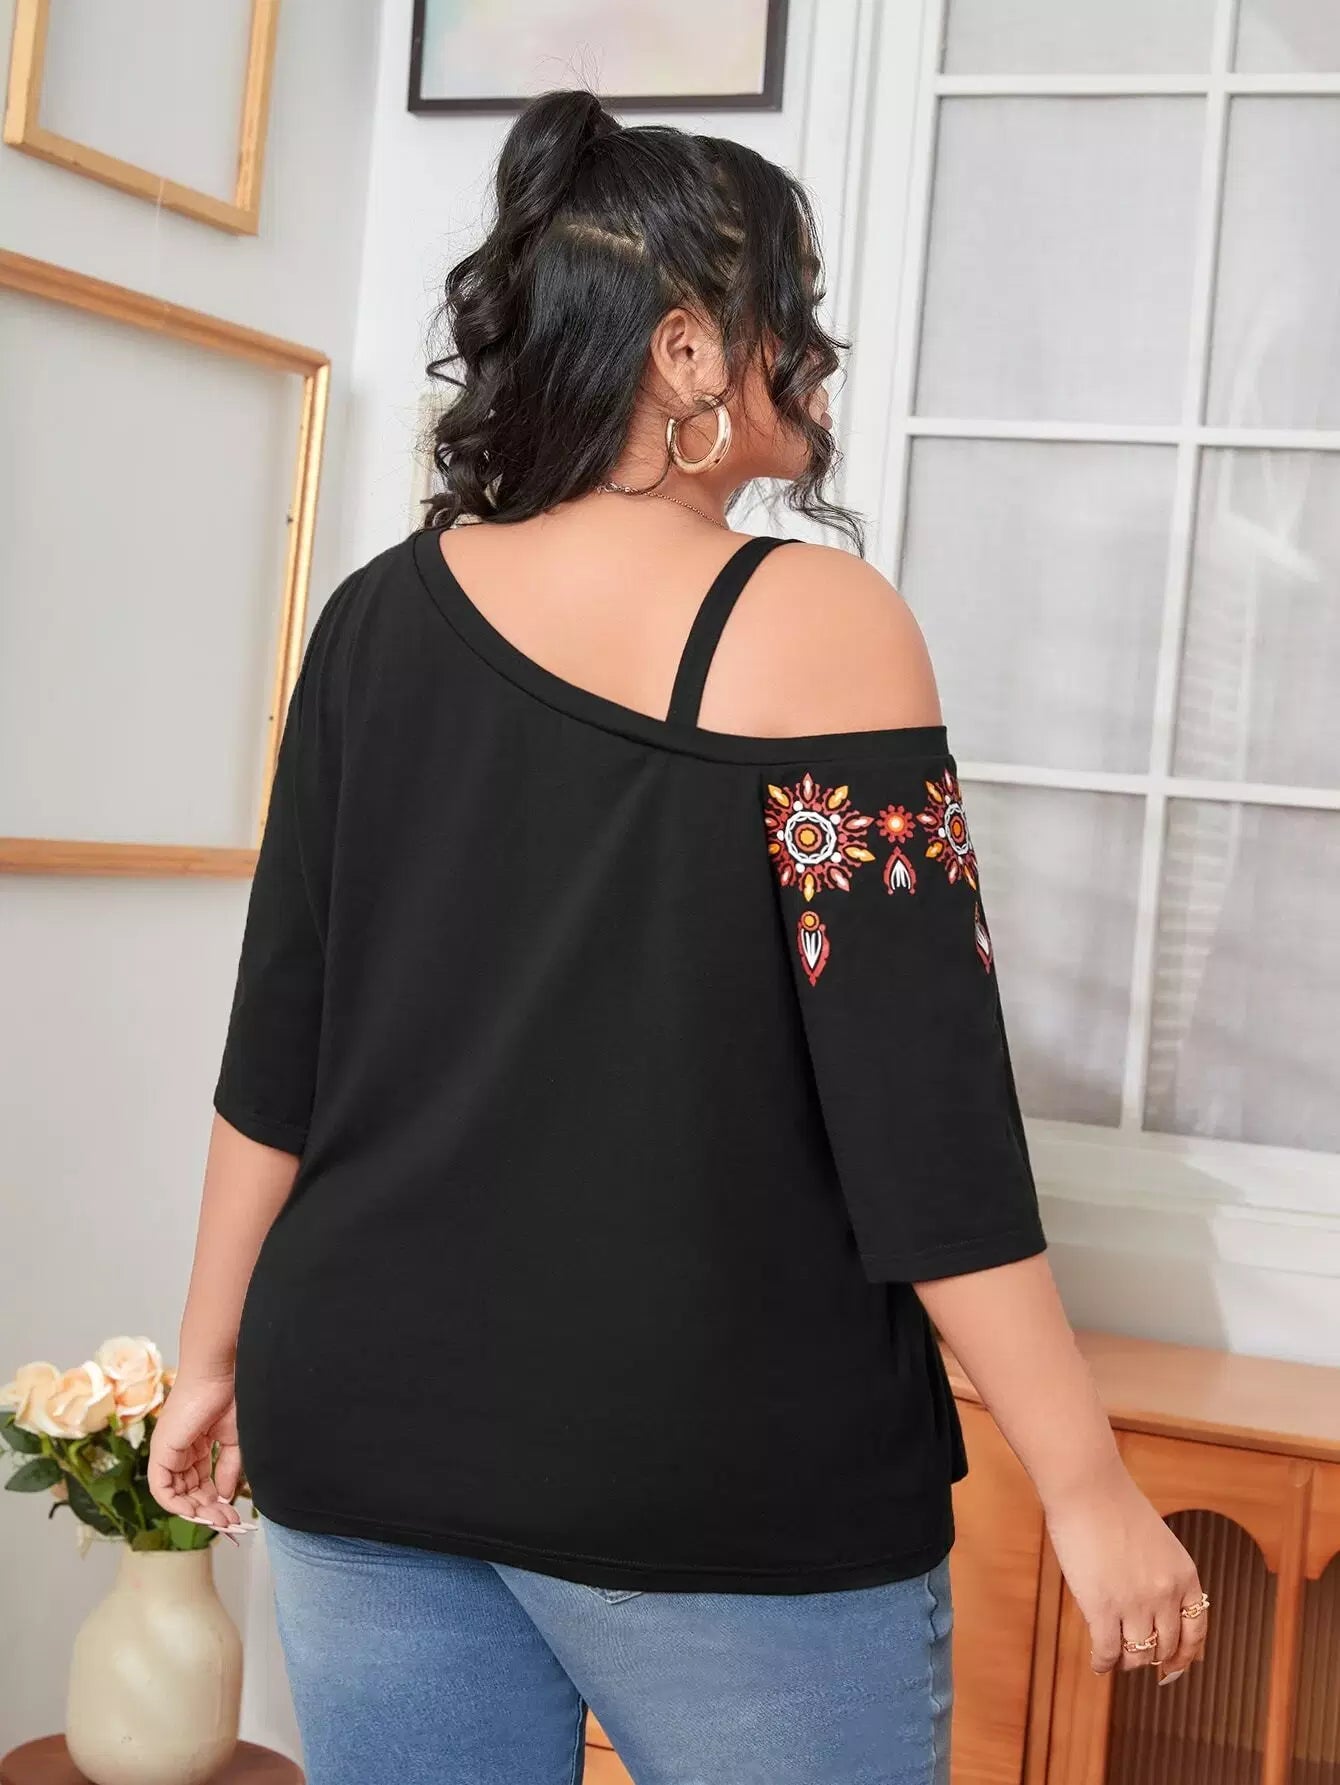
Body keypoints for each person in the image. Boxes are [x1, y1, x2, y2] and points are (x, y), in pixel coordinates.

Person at [149, 88, 1208, 1785]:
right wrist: (1084, 1486)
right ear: (688, 350)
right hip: (713, 1470)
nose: (820, 351)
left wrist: (208, 1354)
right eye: (793, 308)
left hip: (357, 1419)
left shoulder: (373, 617)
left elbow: (277, 1050)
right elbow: (924, 1123)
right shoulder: (819, 625)